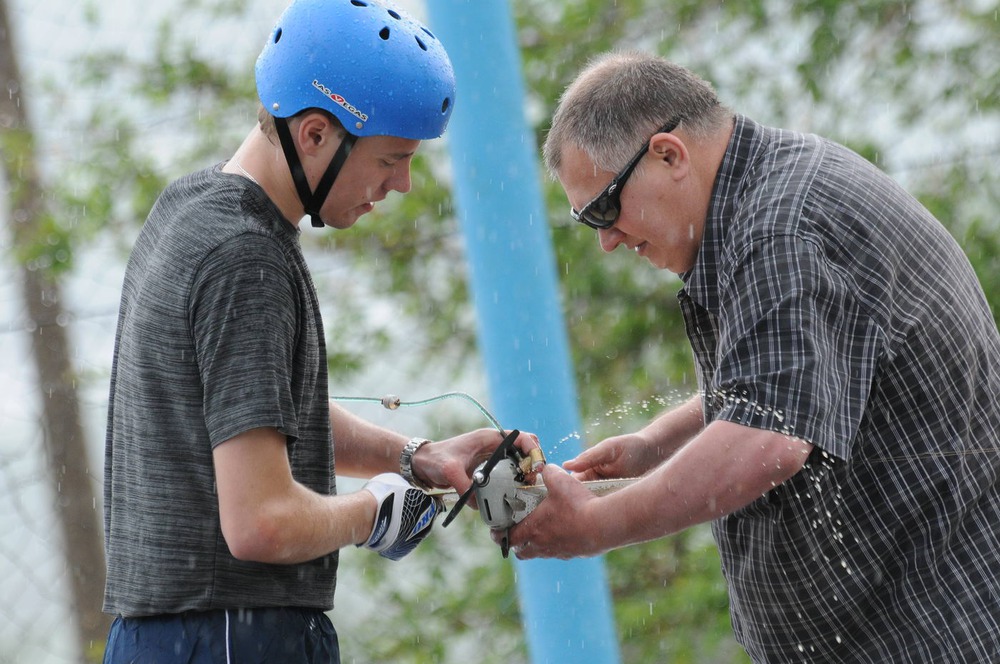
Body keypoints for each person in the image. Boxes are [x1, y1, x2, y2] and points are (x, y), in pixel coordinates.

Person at [504, 50, 1000, 662]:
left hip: (931, 630)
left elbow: (767, 440)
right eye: (588, 221)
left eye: (605, 208)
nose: (606, 241)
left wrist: (594, 527)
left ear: (668, 154)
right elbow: (784, 378)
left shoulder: (780, 234)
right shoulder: (771, 187)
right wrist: (656, 443)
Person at [101, 1, 538, 662]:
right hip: (231, 639)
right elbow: (261, 524)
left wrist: (414, 458)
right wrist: (375, 513)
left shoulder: (191, 208)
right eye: (391, 159)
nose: (404, 185)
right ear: (314, 134)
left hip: (181, 636)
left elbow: (253, 412)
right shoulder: (245, 260)